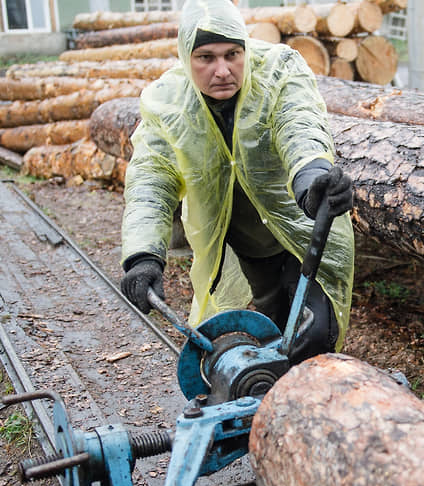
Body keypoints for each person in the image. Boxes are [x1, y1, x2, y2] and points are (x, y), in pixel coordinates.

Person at [119, 0, 354, 363]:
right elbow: (151, 180)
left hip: (305, 229)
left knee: (313, 332)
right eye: (206, 58)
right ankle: (269, 407)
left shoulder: (278, 71)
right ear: (186, 57)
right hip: (245, 242)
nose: (223, 70)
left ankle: (303, 400)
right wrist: (143, 256)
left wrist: (311, 176)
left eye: (232, 54)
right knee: (271, 324)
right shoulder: (169, 102)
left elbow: (299, 125)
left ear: (246, 47)